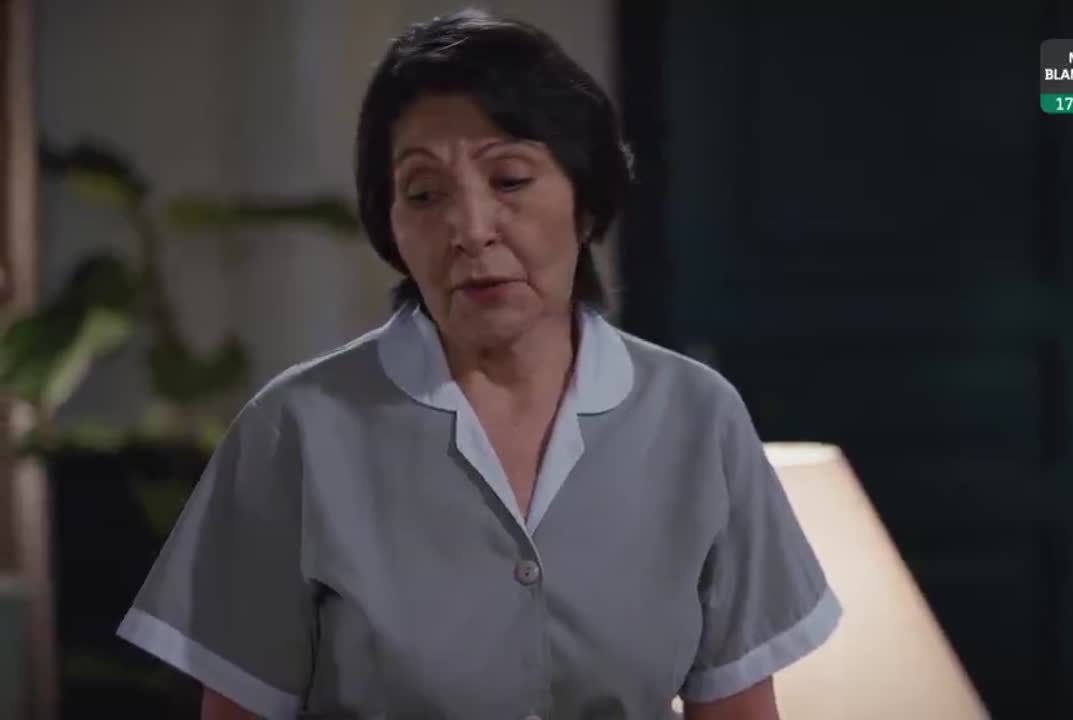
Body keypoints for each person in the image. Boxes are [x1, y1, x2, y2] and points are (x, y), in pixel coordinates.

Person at [118, 9, 840, 719]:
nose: (468, 229)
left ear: (586, 203)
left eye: (510, 180)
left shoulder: (696, 417)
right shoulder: (295, 430)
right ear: (391, 227)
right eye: (424, 195)